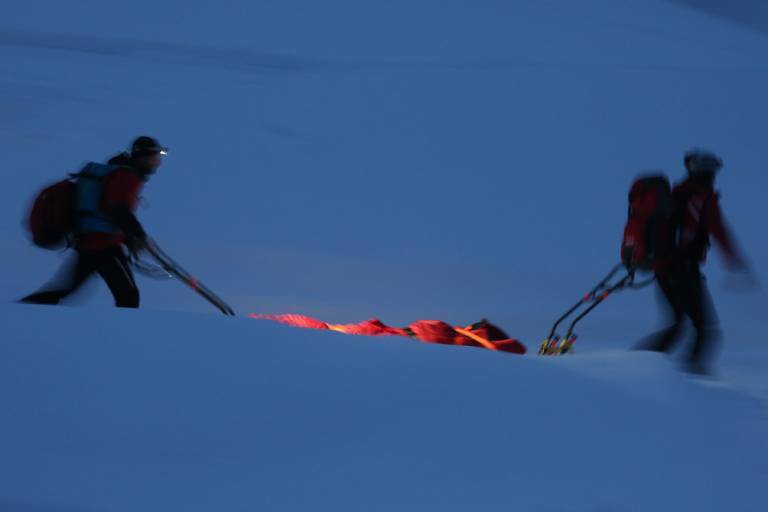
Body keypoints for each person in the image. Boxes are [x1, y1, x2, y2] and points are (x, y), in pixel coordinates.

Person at [636, 149, 753, 374]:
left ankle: (638, 367)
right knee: (705, 328)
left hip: (663, 269)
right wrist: (735, 261)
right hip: (683, 269)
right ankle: (691, 378)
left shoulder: (676, 193)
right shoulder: (702, 197)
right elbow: (719, 230)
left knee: (678, 325)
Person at [21, 136, 167, 308]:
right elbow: (116, 208)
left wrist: (129, 239)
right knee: (128, 296)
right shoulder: (127, 176)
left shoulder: (119, 172)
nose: (158, 162)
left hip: (90, 242)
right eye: (156, 157)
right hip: (103, 244)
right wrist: (138, 235)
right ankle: (126, 332)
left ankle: (20, 310)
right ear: (144, 156)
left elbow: (111, 211)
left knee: (64, 289)